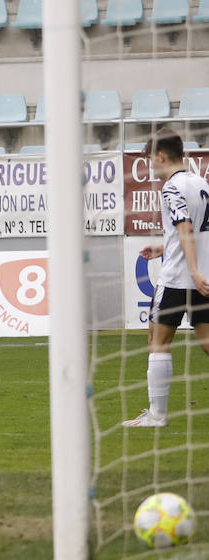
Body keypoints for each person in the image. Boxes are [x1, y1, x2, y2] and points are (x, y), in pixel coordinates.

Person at [124, 129, 209, 428]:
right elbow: (198, 231)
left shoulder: (172, 187)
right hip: (203, 279)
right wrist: (164, 247)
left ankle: (157, 415)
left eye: (150, 160)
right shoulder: (201, 183)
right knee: (207, 342)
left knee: (157, 341)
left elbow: (185, 228)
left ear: (160, 156)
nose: (151, 166)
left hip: (177, 278)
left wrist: (193, 270)